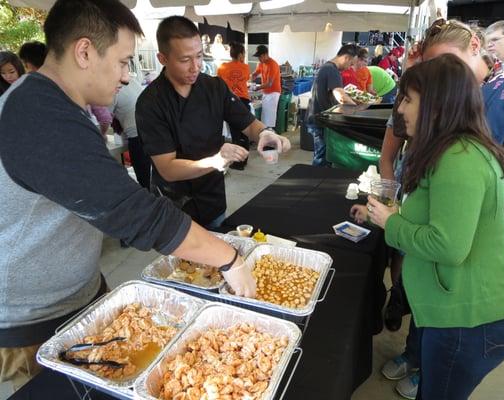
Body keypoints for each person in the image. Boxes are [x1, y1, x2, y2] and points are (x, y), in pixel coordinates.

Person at [0, 0, 256, 391]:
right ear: (84, 52)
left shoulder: (60, 104)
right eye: (122, 62)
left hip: (78, 294)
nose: (125, 77)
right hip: (32, 318)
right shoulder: (40, 115)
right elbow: (132, 211)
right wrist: (229, 258)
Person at [373, 19, 504, 399]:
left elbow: (448, 246)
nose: (401, 111)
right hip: (457, 312)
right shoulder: (453, 149)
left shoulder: (457, 158)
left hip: (472, 322)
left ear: (435, 104)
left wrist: (390, 222)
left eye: (408, 99)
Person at [136, 16, 290, 229]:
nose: (195, 67)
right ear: (162, 58)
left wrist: (265, 133)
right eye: (185, 60)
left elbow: (247, 122)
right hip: (175, 204)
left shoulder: (214, 87)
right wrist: (216, 160)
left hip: (212, 196)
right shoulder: (151, 103)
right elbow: (168, 168)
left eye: (199, 56)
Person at [306, 44, 358, 166]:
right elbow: (340, 95)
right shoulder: (331, 69)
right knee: (322, 157)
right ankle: (316, 180)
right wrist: (355, 106)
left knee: (322, 154)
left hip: (317, 118)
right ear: (346, 57)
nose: (349, 67)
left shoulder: (327, 68)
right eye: (351, 64)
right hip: (320, 120)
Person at [217, 42, 252, 170]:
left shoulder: (222, 67)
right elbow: (246, 78)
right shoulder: (246, 67)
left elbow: (219, 82)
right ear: (240, 54)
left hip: (229, 103)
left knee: (235, 134)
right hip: (243, 101)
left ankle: (238, 162)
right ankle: (243, 160)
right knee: (245, 133)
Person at [111, 78, 152, 189]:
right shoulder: (132, 81)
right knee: (154, 178)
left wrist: (100, 135)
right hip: (154, 130)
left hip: (138, 136)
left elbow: (105, 118)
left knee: (145, 180)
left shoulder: (112, 87)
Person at [251, 45, 281, 129]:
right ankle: (266, 133)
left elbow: (269, 83)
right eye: (258, 57)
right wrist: (253, 75)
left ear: (265, 54)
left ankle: (270, 133)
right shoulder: (261, 63)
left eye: (260, 56)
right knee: (265, 116)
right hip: (266, 92)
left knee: (269, 117)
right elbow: (256, 72)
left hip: (273, 93)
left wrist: (257, 88)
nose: (259, 59)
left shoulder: (273, 64)